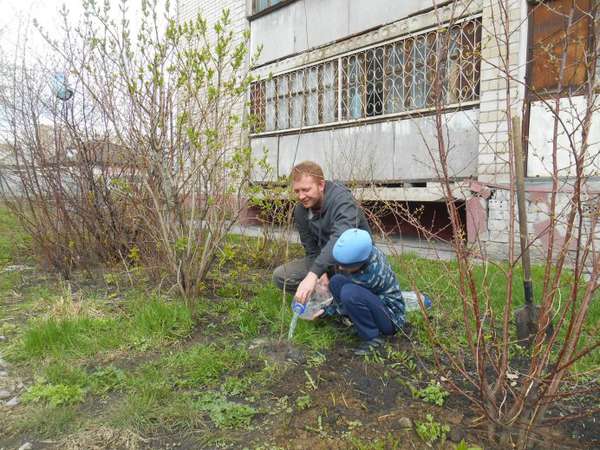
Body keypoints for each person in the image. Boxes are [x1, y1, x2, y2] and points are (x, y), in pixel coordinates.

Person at [272, 161, 370, 303]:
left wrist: (313, 275)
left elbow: (340, 238)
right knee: (281, 276)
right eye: (297, 191)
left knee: (348, 287)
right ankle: (327, 298)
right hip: (327, 262)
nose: (301, 196)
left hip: (354, 261)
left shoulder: (342, 201)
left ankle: (347, 299)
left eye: (306, 190)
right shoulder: (301, 210)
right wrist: (321, 273)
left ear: (321, 185)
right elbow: (311, 250)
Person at [328, 228, 405, 355]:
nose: (341, 267)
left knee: (349, 293)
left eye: (346, 265)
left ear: (360, 261)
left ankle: (373, 338)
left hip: (391, 317)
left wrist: (327, 311)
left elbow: (354, 293)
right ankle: (349, 319)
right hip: (374, 303)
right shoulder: (366, 252)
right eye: (340, 263)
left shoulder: (371, 275)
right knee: (336, 281)